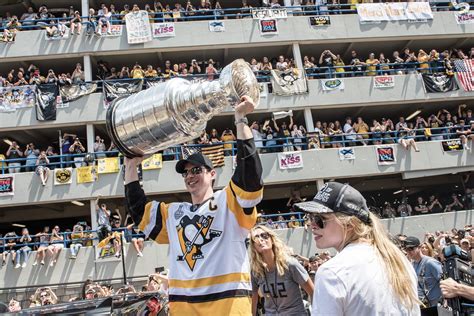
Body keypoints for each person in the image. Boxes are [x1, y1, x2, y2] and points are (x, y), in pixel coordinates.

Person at [124, 96, 263, 314]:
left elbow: (250, 177)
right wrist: (131, 166)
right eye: (186, 172)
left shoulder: (228, 201)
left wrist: (240, 120)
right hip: (184, 308)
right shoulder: (175, 212)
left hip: (228, 307)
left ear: (212, 174)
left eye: (197, 170)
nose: (190, 175)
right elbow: (138, 211)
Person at [294, 182, 420, 315]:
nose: (312, 224)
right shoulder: (397, 258)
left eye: (319, 219)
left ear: (349, 224)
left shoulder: (332, 271)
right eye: (310, 217)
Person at [249, 225, 314, 315]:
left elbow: (313, 292)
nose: (261, 239)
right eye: (256, 237)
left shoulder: (290, 264)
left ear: (272, 240)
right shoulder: (256, 270)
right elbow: (253, 296)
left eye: (264, 235)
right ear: (253, 246)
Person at [405, 236, 442, 309]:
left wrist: (445, 302)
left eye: (411, 249)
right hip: (422, 305)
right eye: (406, 249)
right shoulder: (412, 265)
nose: (408, 252)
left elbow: (444, 281)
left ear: (419, 247)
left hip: (435, 305)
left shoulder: (430, 262)